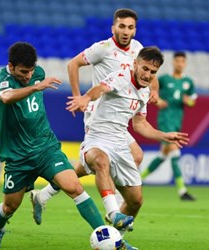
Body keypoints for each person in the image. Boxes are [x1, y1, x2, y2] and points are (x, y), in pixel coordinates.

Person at [30, 8, 158, 227]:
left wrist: (154, 90)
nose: (126, 31)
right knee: (109, 159)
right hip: (98, 114)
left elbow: (148, 71)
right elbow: (73, 64)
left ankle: (44, 194)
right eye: (121, 26)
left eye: (130, 27)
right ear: (113, 27)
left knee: (106, 161)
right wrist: (79, 97)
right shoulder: (103, 48)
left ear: (135, 30)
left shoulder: (138, 49)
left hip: (117, 116)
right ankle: (115, 208)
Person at [0, 42, 108, 249]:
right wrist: (34, 86)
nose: (28, 75)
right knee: (9, 206)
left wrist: (35, 81)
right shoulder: (3, 79)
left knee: (74, 187)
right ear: (11, 66)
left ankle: (110, 239)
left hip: (45, 147)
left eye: (31, 71)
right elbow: (6, 98)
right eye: (23, 72)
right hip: (18, 156)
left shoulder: (37, 72)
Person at [66, 47, 189, 249]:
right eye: (145, 68)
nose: (147, 75)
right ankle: (113, 213)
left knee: (135, 201)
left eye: (153, 72)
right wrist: (85, 98)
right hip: (97, 137)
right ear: (135, 64)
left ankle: (117, 241)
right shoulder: (121, 77)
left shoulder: (145, 91)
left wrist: (163, 135)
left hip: (121, 143)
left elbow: (140, 124)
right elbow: (100, 89)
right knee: (100, 161)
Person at [140, 51, 197, 201]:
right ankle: (182, 191)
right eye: (177, 61)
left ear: (185, 63)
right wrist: (158, 101)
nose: (179, 64)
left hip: (177, 121)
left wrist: (188, 101)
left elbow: (193, 101)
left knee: (164, 155)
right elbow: (151, 89)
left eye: (182, 62)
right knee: (174, 151)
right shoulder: (164, 79)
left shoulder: (188, 82)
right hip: (165, 121)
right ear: (173, 62)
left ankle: (138, 180)